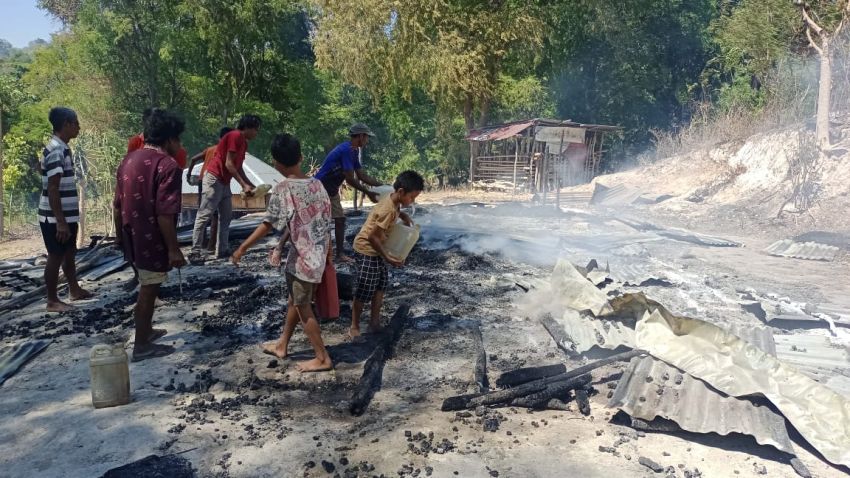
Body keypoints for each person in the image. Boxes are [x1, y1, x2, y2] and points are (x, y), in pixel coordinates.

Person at [231, 133, 334, 373]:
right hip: (318, 256)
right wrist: (329, 253)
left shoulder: (284, 189)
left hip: (302, 261)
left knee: (303, 306)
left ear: (276, 163)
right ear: (300, 157)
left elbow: (268, 224)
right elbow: (326, 221)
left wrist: (242, 248)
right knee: (295, 300)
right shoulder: (317, 184)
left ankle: (322, 357)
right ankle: (282, 345)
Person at [113, 109, 187, 362]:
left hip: (131, 234)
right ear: (168, 140)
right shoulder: (168, 165)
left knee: (148, 285)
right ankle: (141, 345)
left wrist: (120, 238)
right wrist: (173, 249)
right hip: (151, 237)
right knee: (149, 288)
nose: (180, 145)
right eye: (178, 139)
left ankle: (148, 331)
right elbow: (165, 213)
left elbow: (117, 204)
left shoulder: (129, 159)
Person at [349, 170, 424, 340]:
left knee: (380, 286)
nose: (413, 201)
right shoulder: (388, 210)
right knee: (364, 288)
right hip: (367, 249)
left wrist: (403, 214)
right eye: (412, 197)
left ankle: (374, 323)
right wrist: (388, 257)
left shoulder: (393, 201)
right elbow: (372, 237)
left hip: (377, 249)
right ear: (401, 192)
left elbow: (393, 211)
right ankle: (354, 326)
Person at [38, 107, 93, 312]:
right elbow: (52, 188)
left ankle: (74, 289)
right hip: (54, 218)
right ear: (66, 124)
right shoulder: (56, 150)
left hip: (66, 216)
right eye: (76, 123)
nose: (78, 127)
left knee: (69, 252)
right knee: (56, 255)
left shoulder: (62, 148)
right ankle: (52, 300)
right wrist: (60, 221)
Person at [190, 115, 261, 262]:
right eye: (255, 130)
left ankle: (222, 250)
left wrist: (250, 184)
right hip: (214, 178)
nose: (256, 133)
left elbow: (238, 166)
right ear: (247, 127)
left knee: (226, 217)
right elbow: (229, 164)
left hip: (224, 181)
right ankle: (195, 251)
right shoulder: (235, 136)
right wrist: (243, 184)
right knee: (204, 215)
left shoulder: (244, 143)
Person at [314, 123, 384, 263]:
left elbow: (362, 175)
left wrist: (382, 186)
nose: (367, 140)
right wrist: (368, 192)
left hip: (331, 189)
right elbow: (350, 179)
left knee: (340, 219)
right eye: (366, 137)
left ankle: (339, 255)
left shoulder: (354, 151)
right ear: (360, 136)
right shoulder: (346, 150)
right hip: (319, 189)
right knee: (315, 222)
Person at [186, 126, 234, 252]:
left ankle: (211, 246)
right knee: (209, 215)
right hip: (212, 182)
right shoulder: (222, 150)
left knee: (211, 215)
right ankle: (205, 247)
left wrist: (189, 174)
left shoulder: (211, 149)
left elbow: (193, 159)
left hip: (208, 181)